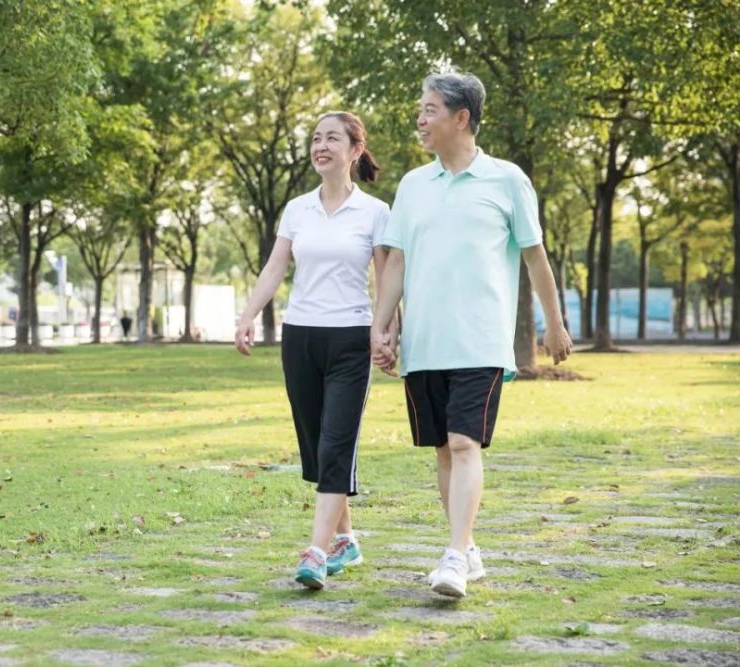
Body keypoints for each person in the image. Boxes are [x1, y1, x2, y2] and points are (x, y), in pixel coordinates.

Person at [371, 72, 573, 598]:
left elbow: (535, 255)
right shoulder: (413, 184)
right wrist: (382, 326)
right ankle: (468, 547)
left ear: (462, 118)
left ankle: (456, 556)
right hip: (425, 343)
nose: (420, 118)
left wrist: (554, 323)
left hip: (480, 340)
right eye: (420, 108)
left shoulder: (507, 179)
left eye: (430, 109)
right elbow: (395, 263)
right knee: (442, 447)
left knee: (464, 442)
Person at [235, 111, 394, 589]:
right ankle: (347, 540)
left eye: (332, 138)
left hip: (350, 336)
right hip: (300, 336)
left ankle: (317, 552)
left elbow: (386, 278)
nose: (321, 146)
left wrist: (385, 332)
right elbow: (274, 267)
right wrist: (247, 316)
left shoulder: (376, 212)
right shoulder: (297, 209)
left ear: (354, 151)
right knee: (316, 447)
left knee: (336, 443)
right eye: (316, 138)